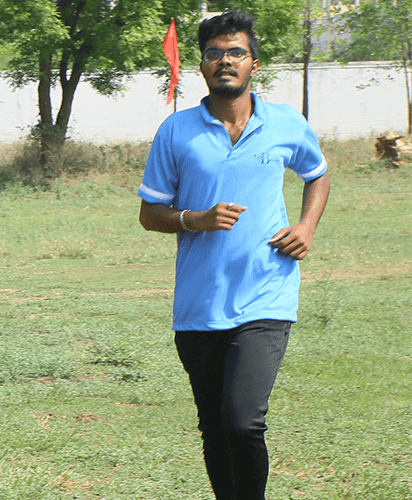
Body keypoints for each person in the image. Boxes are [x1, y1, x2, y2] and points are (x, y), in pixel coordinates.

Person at [137, 11, 330, 500]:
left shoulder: (285, 123)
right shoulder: (176, 131)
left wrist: (306, 226)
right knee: (214, 426)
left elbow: (318, 174)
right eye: (214, 53)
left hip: (266, 294)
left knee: (243, 422)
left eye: (236, 52)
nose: (225, 61)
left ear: (253, 64)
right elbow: (150, 213)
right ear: (202, 65)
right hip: (199, 305)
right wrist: (194, 219)